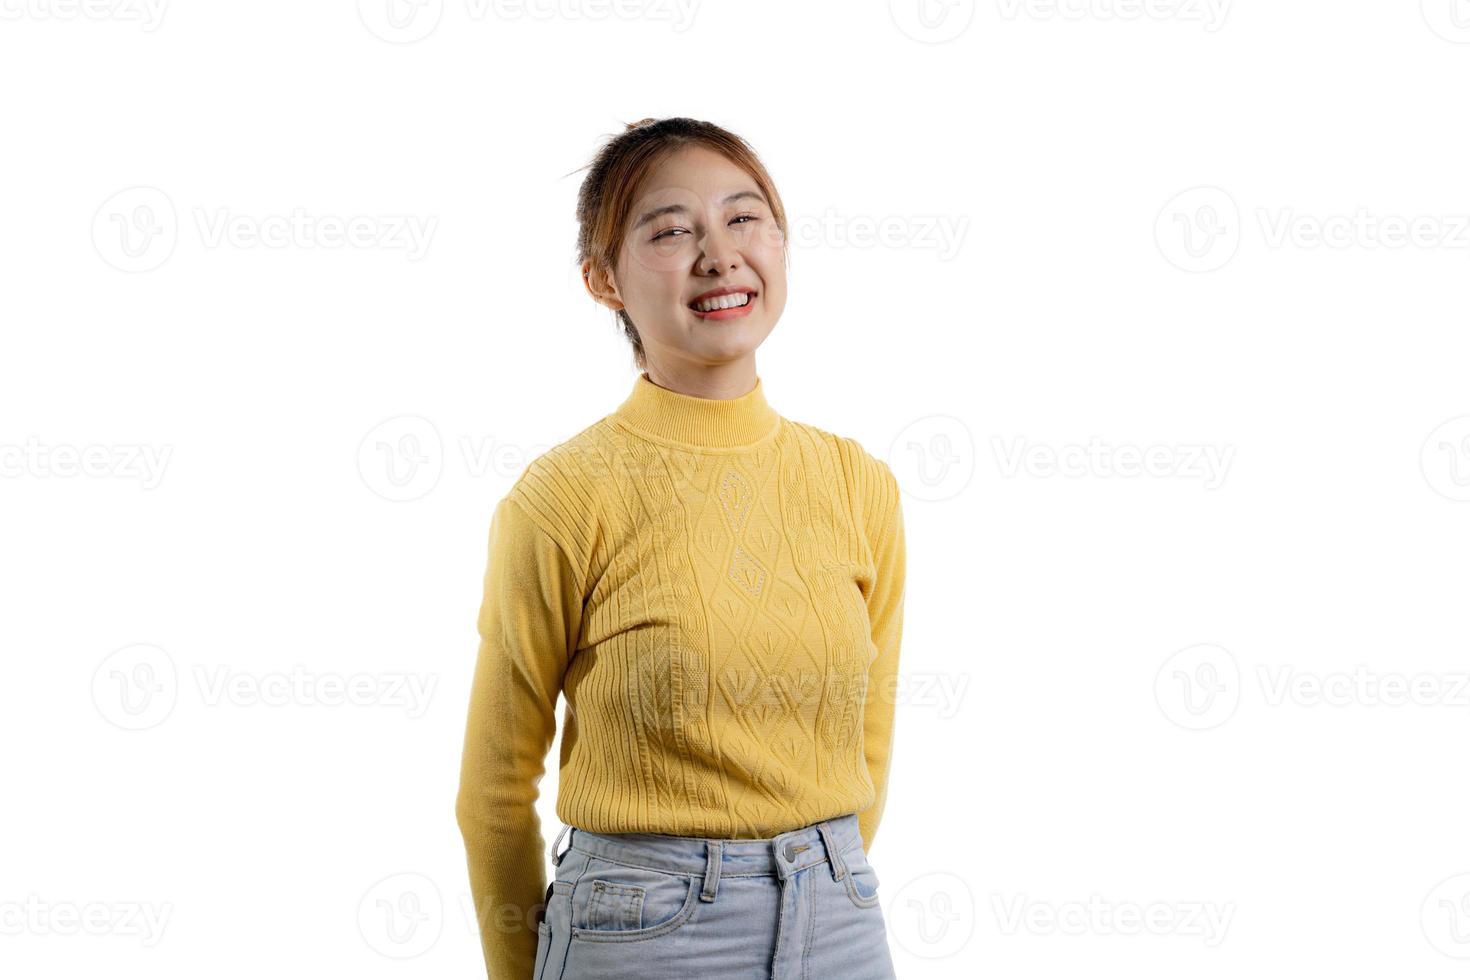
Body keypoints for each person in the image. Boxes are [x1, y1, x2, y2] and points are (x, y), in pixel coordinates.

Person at [455, 116, 906, 980]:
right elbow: (493, 793)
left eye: (744, 219)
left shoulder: (858, 483)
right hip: (642, 931)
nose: (720, 255)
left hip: (842, 921)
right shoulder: (564, 497)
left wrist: (815, 874)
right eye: (671, 231)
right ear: (603, 280)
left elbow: (868, 738)